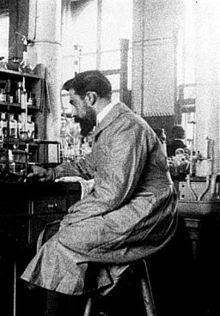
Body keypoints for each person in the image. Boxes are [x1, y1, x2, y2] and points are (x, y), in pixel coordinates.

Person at [21, 70, 178, 315]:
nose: (73, 112)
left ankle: (58, 307)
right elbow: (89, 165)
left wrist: (75, 213)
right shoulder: (111, 125)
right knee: (62, 236)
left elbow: (112, 193)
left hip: (148, 213)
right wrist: (51, 173)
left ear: (91, 97)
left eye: (74, 103)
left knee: (65, 239)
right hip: (133, 207)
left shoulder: (127, 128)